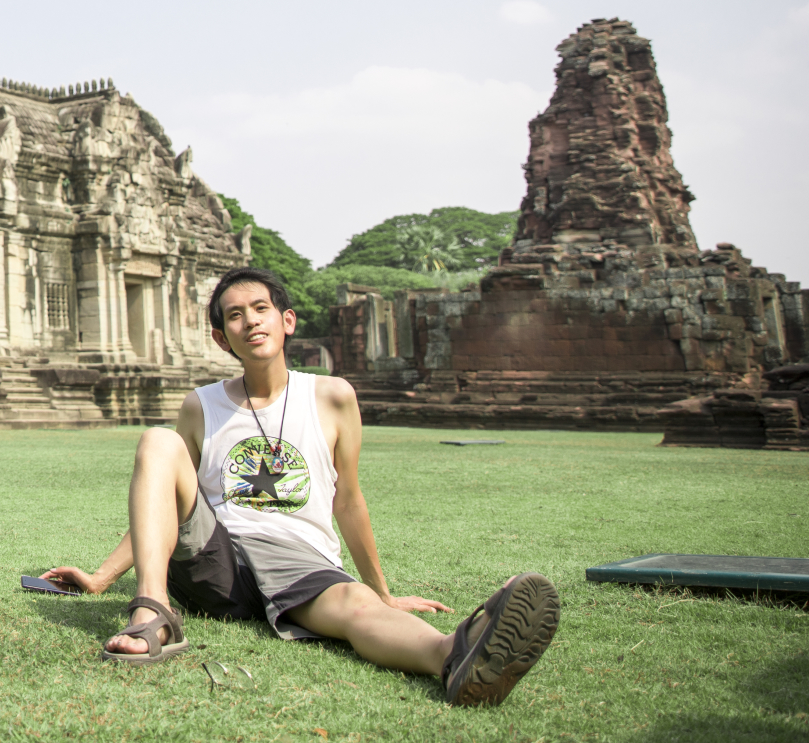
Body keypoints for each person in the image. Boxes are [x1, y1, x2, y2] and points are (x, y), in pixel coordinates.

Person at [41, 267, 560, 708]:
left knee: (357, 608)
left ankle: (455, 657)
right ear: (223, 338)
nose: (249, 321)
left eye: (260, 308)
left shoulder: (333, 397)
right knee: (157, 442)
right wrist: (103, 577)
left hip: (299, 559)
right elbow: (167, 503)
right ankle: (152, 614)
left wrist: (383, 592)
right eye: (234, 316)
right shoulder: (201, 404)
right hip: (216, 560)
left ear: (285, 321)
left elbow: (349, 500)